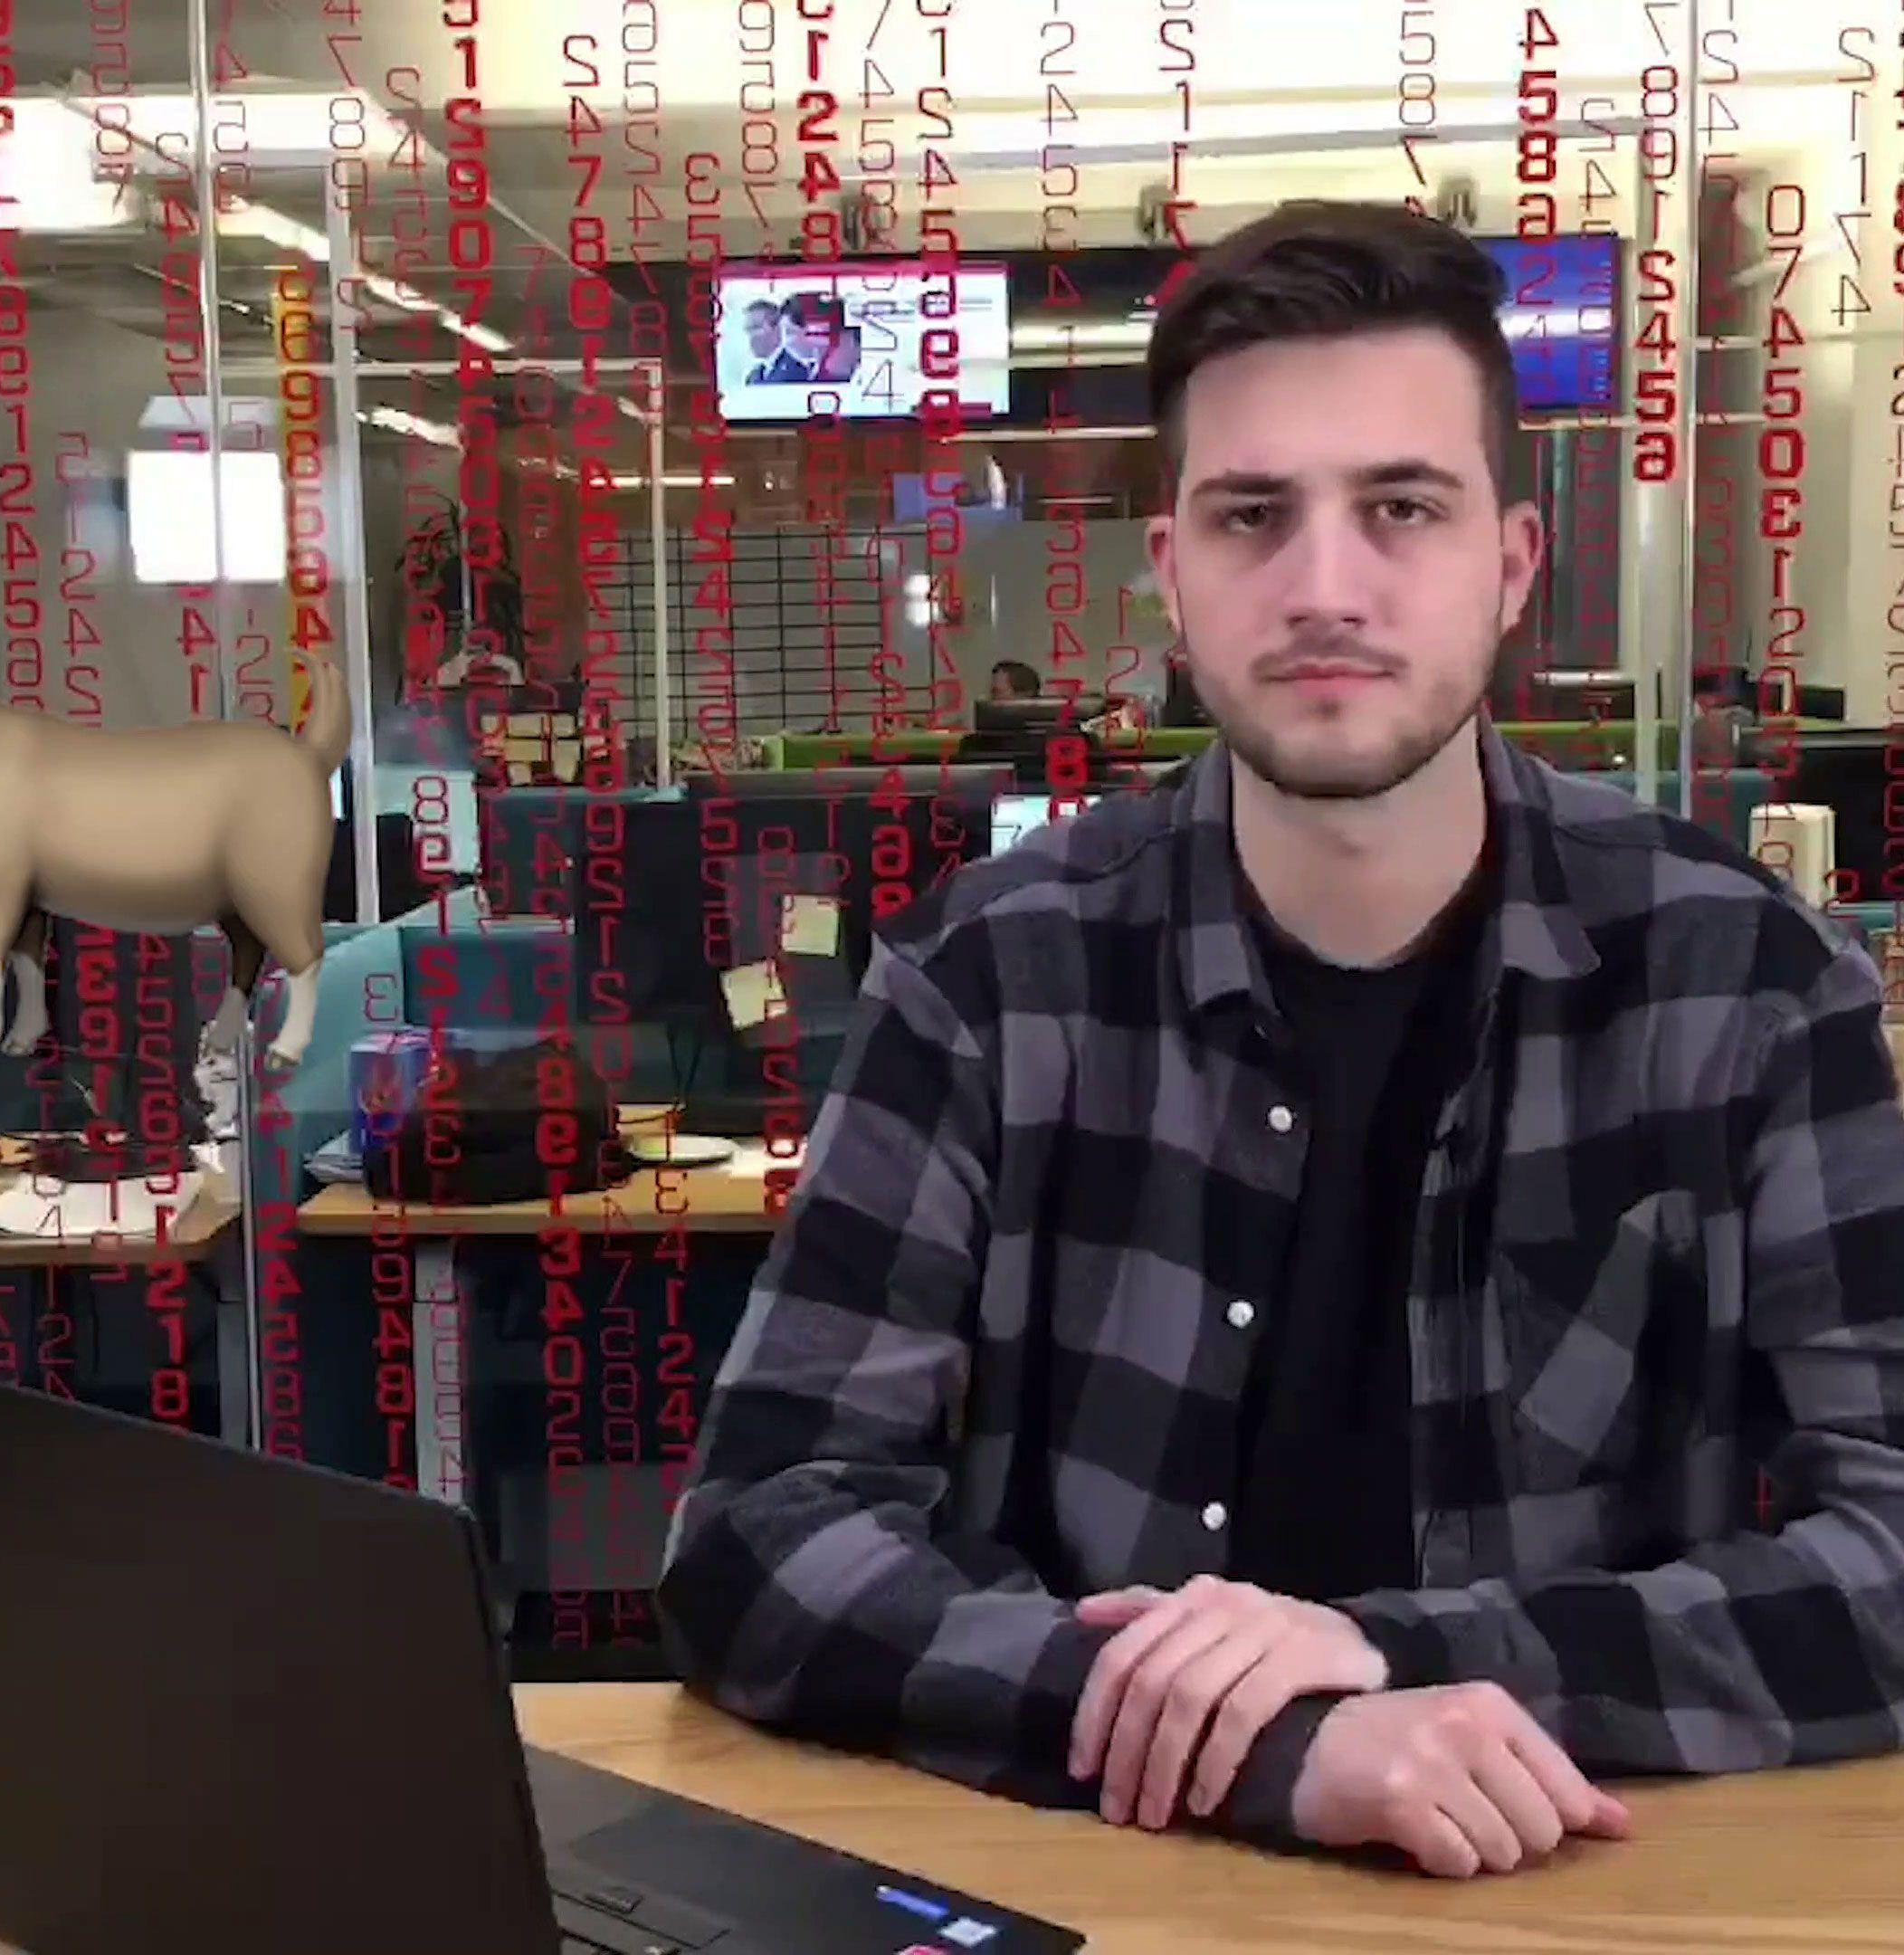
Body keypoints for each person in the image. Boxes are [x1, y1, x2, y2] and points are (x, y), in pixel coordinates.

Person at [657, 200, 1904, 1880]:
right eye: (1253, 515)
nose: (1326, 586)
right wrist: (1264, 1741)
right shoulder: (992, 978)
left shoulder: (1743, 981)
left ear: (1511, 566)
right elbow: (755, 1535)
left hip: (1568, 1877)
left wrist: (1403, 1656)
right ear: (1171, 575)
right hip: (1102, 1881)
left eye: (1403, 507)